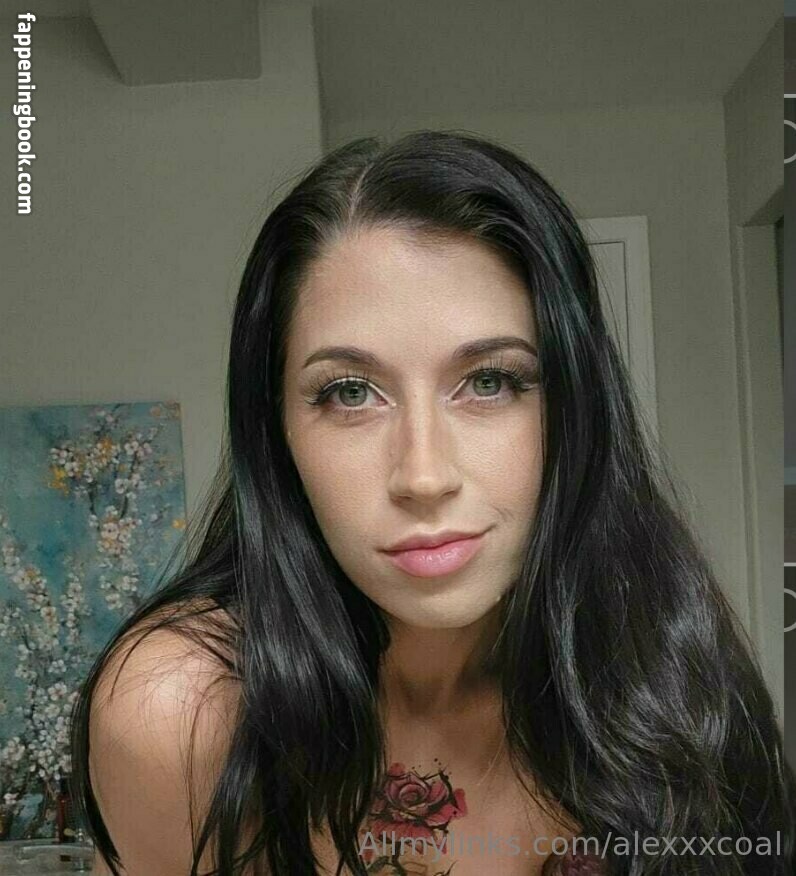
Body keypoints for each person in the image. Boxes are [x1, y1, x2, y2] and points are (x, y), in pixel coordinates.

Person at [70, 130, 795, 876]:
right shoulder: (182, 711)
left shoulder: (666, 664)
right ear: (276, 429)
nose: (423, 476)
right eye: (350, 393)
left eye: (490, 382)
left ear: (573, 406)